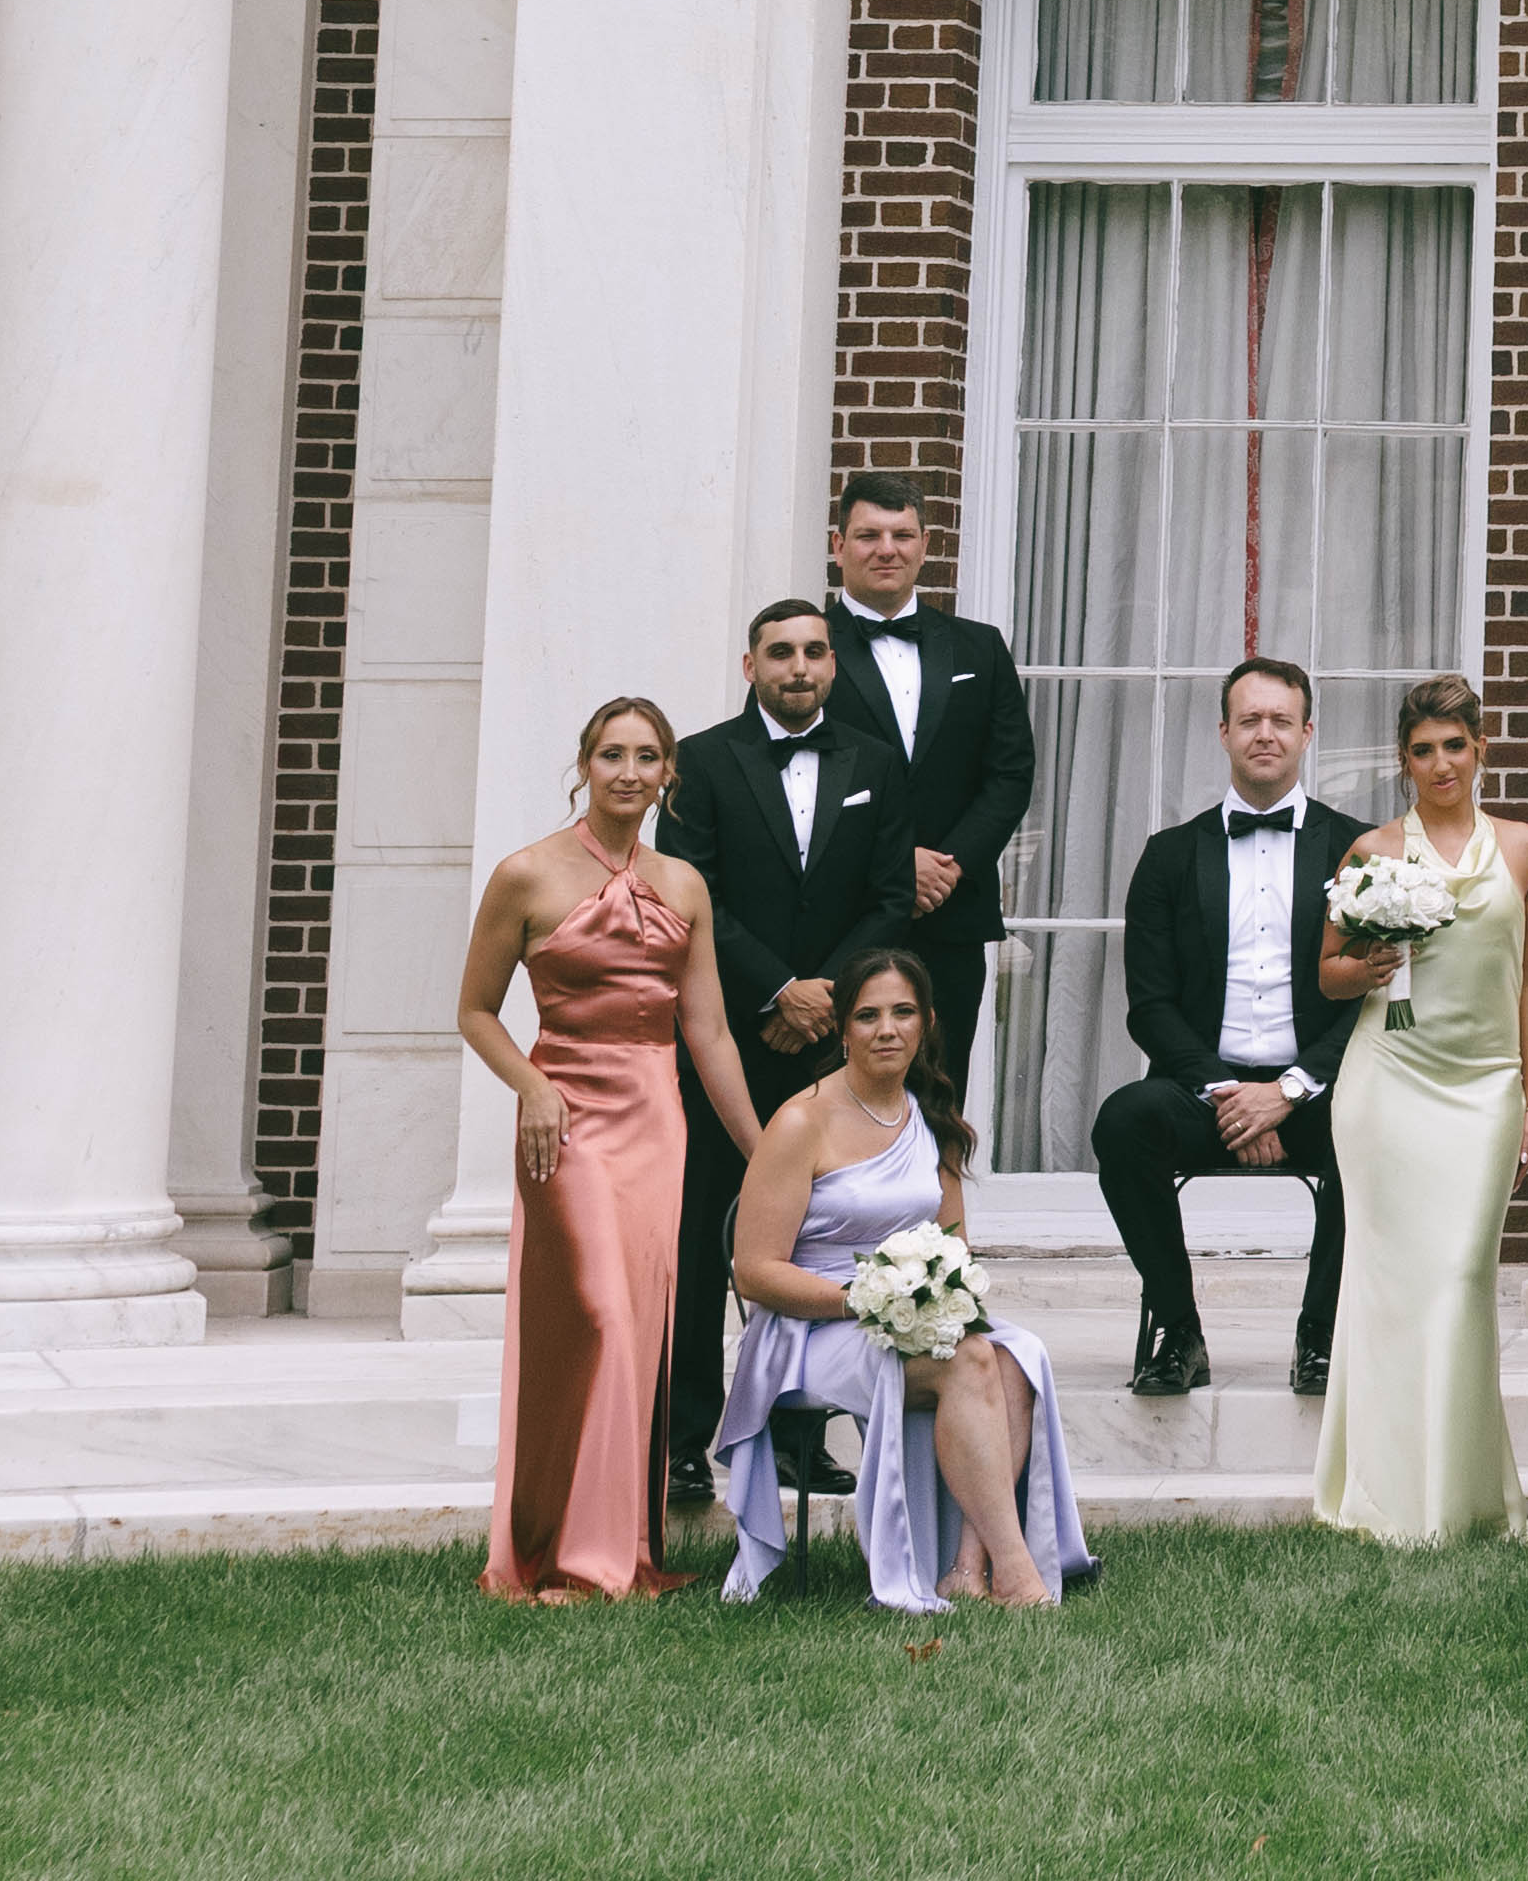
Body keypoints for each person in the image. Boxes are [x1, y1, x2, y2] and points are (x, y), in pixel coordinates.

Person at [459, 691, 764, 1600]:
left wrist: (762, 1151)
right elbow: (475, 1012)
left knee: (643, 1325)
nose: (629, 773)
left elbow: (707, 1032)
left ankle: (618, 1553)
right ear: (582, 767)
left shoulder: (684, 885)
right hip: (564, 1121)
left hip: (653, 1120)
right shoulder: (525, 874)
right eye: (612, 756)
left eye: (647, 758)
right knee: (591, 1314)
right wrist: (534, 1085)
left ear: (668, 775)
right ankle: (562, 1555)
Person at [713, 947, 1090, 1612]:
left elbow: (955, 1251)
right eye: (867, 1016)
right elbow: (756, 1271)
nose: (887, 1029)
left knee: (1014, 1357)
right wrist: (866, 1300)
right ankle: (1019, 1574)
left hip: (911, 1320)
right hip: (808, 1333)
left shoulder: (932, 1120)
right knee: (972, 1358)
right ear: (842, 1028)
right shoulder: (801, 1121)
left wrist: (941, 1301)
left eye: (903, 1013)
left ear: (927, 1024)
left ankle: (966, 1567)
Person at [651, 592, 903, 1530]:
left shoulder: (874, 763)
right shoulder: (705, 763)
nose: (799, 668)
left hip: (830, 1048)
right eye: (780, 653)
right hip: (730, 1036)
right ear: (749, 665)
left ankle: (801, 1437)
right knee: (699, 1237)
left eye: (814, 653)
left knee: (817, 1240)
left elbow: (888, 896)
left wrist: (828, 996)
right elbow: (693, 889)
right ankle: (683, 1442)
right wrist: (775, 990)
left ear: (832, 665)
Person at [1310, 669, 1528, 1548]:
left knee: (1459, 1281)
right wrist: (1366, 966)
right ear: (1403, 760)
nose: (1440, 763)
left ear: (1480, 750)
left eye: (1455, 746)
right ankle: (1389, 1496)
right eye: (1422, 750)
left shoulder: (1523, 847)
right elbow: (1328, 972)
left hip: (1484, 1089)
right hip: (1390, 1080)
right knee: (1389, 1289)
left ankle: (1467, 1495)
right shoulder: (1372, 852)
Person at [1089, 652, 1359, 1408]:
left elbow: (1373, 998)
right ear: (1223, 733)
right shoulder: (1169, 856)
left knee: (1380, 1127)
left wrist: (1291, 1091)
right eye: (1250, 720)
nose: (1264, 734)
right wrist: (1230, 1093)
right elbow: (1150, 1005)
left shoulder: (1362, 850)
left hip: (1321, 1094)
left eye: (1280, 720)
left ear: (1308, 733)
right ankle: (1179, 1330)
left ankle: (1324, 1335)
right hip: (1203, 1092)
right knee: (1122, 1122)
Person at [818, 474, 1037, 1118]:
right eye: (868, 535)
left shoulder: (979, 647)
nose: (887, 548)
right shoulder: (804, 648)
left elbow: (1010, 774)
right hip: (843, 917)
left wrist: (949, 864)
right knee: (838, 1100)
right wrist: (893, 867)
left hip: (951, 911)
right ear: (839, 544)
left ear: (925, 544)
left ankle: (938, 1222)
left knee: (941, 1097)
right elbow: (795, 779)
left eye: (902, 535)